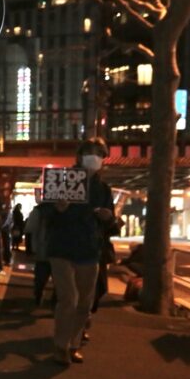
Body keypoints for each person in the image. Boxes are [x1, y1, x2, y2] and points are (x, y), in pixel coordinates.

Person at [42, 137, 114, 365]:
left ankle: (74, 344)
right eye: (90, 153)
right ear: (80, 156)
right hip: (61, 247)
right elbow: (45, 214)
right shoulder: (63, 179)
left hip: (89, 248)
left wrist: (108, 217)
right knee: (68, 299)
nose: (95, 158)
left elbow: (110, 218)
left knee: (85, 302)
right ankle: (60, 346)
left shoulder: (103, 189)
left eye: (99, 154)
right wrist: (57, 208)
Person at [22, 199, 51, 306]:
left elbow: (29, 230)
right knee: (60, 280)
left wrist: (29, 250)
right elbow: (29, 231)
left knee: (41, 277)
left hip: (43, 250)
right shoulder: (68, 207)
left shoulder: (39, 210)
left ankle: (39, 294)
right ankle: (53, 301)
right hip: (58, 252)